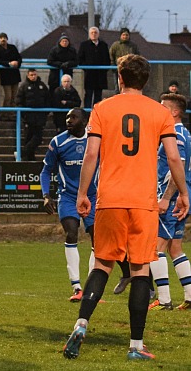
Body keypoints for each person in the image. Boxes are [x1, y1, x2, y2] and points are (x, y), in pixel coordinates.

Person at [63, 54, 189, 361]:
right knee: (139, 269)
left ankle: (81, 323)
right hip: (143, 203)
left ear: (119, 78)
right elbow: (173, 157)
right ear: (145, 80)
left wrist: (82, 193)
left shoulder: (103, 109)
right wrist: (183, 193)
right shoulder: (159, 112)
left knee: (102, 265)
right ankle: (135, 346)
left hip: (109, 199)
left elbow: (91, 155)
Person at [40, 108, 96, 302]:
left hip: (93, 197)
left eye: (73, 117)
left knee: (97, 238)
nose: (69, 120)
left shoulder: (96, 140)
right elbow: (46, 171)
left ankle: (90, 287)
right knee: (71, 233)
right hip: (68, 197)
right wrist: (46, 195)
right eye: (67, 117)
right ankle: (76, 286)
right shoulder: (58, 142)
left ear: (85, 120)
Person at [149, 93, 191, 311]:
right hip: (181, 197)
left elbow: (179, 166)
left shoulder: (175, 134)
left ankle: (163, 300)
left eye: (163, 107)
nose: (159, 110)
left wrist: (166, 198)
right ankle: (190, 296)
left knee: (156, 248)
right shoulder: (184, 133)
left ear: (174, 112)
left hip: (172, 198)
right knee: (176, 247)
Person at [15, 69, 49, 161]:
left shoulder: (42, 86)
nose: (33, 76)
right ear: (28, 75)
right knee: (28, 138)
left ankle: (21, 153)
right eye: (31, 75)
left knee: (38, 138)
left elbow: (47, 99)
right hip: (28, 117)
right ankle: (29, 158)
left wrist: (45, 113)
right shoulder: (23, 86)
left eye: (35, 74)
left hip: (40, 117)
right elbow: (19, 101)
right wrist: (24, 115)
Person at [78, 26, 109, 108]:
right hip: (89, 75)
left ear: (98, 34)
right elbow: (80, 59)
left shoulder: (104, 45)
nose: (94, 34)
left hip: (100, 75)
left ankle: (97, 114)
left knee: (98, 96)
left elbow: (107, 60)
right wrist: (86, 68)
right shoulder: (84, 45)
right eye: (92, 33)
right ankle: (87, 114)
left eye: (95, 33)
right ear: (89, 34)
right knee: (88, 94)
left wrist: (104, 70)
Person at [0, 32, 22, 118]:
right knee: (8, 96)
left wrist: (17, 63)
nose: (3, 40)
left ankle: (12, 113)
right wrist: (9, 63)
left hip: (15, 75)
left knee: (14, 96)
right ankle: (5, 113)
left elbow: (19, 57)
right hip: (6, 75)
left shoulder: (12, 48)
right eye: (1, 38)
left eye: (4, 38)